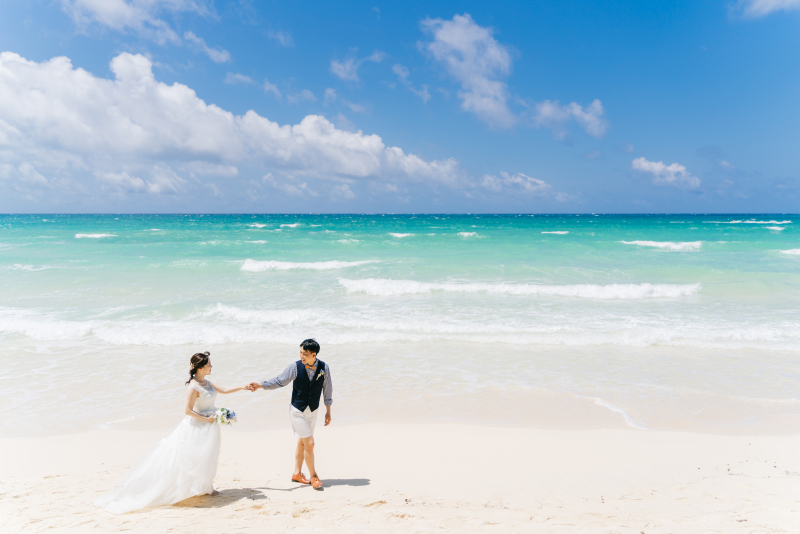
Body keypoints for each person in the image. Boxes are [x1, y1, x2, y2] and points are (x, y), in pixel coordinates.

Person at [94, 352, 246, 514]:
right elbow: (188, 411)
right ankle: (185, 487)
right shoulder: (194, 386)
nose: (211, 367)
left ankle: (207, 485)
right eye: (209, 364)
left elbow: (223, 389)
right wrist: (207, 419)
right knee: (192, 456)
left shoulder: (207, 382)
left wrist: (243, 386)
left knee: (209, 455)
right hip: (198, 426)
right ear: (200, 368)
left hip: (210, 426)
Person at [247, 339, 332, 490]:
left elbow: (327, 390)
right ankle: (314, 476)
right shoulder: (295, 367)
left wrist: (328, 411)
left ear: (314, 354)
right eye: (300, 352)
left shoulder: (324, 368)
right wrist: (259, 385)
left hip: (313, 411)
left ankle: (296, 474)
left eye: (305, 354)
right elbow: (279, 381)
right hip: (297, 411)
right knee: (310, 444)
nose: (301, 356)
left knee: (302, 443)